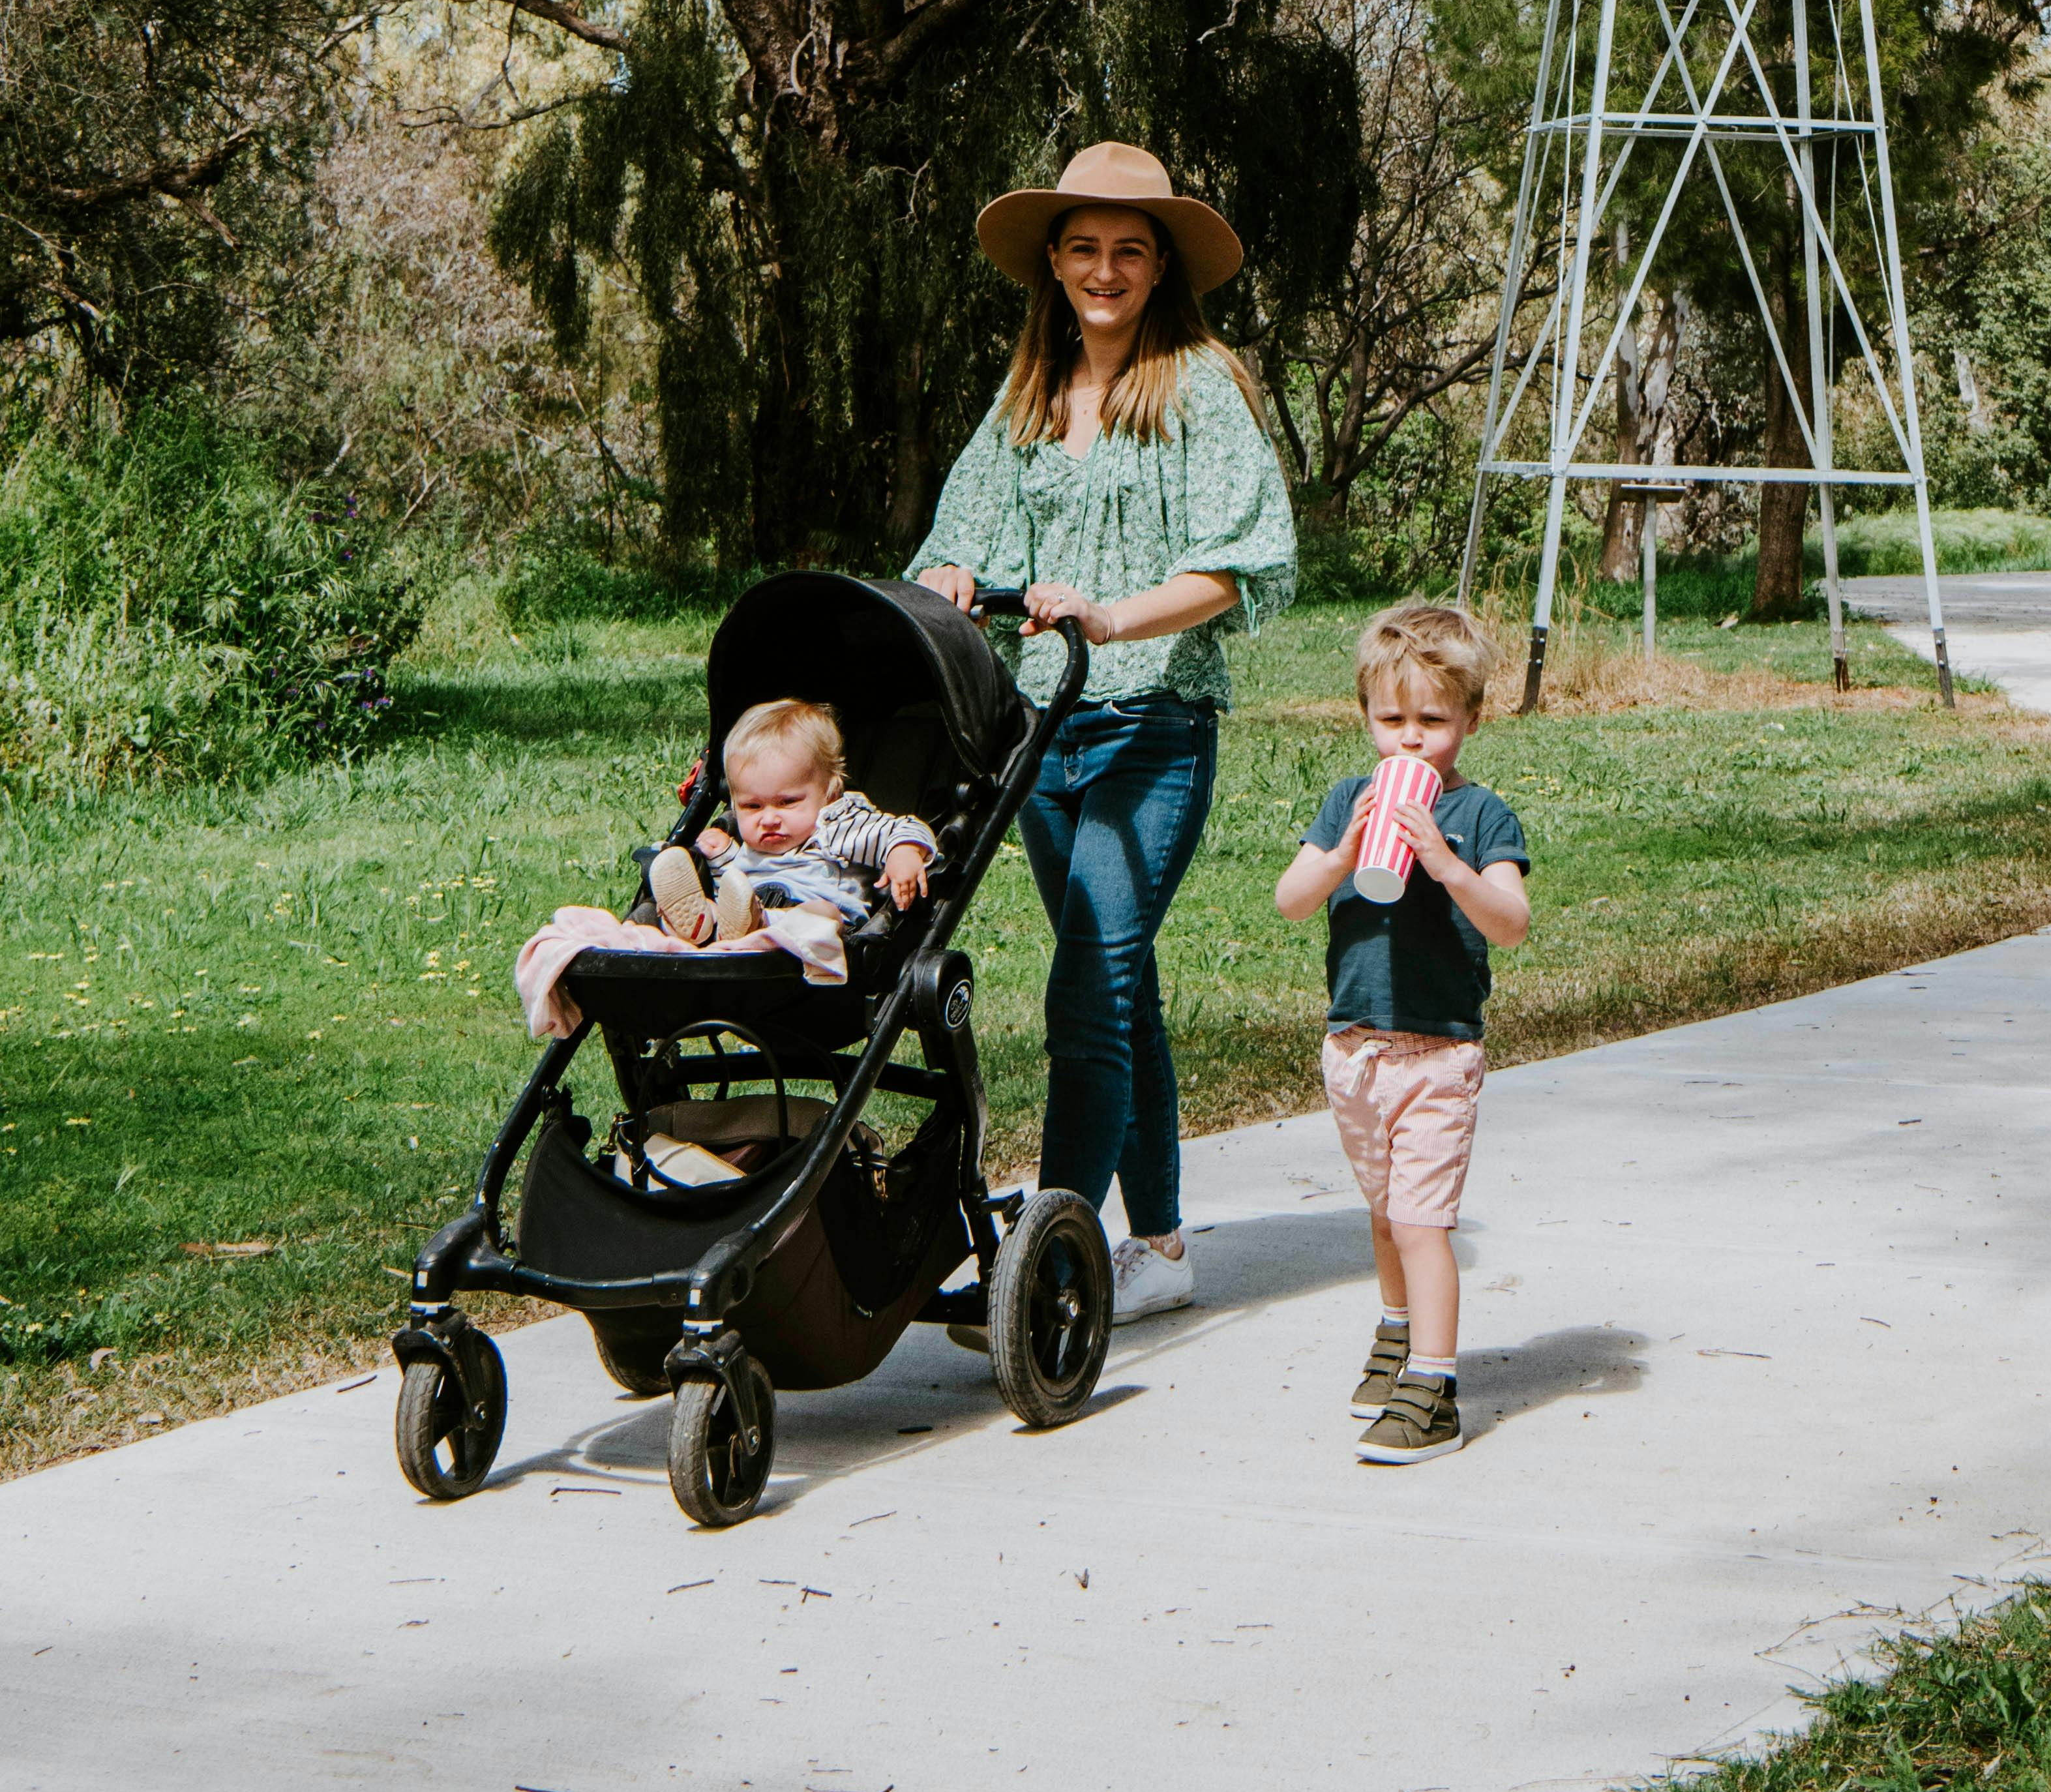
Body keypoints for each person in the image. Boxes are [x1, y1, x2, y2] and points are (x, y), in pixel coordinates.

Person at [909, 141, 1295, 1321]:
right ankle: (1162, 1250)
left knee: (1087, 985)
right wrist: (958, 574)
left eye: (1128, 249)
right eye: (1083, 248)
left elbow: (1239, 562)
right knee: (1119, 990)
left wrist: (1113, 615)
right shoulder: (1028, 394)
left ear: (1160, 263)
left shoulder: (1197, 388)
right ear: (1055, 266)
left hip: (1154, 728)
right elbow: (952, 542)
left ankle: (1052, 1260)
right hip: (1040, 735)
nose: (1104, 269)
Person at [1274, 597, 1531, 1465]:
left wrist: (1446, 862)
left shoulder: (1483, 817)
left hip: (1437, 1052)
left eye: (1433, 720)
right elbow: (1291, 899)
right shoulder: (1348, 800)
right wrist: (1346, 853)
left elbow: (1512, 921)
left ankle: (1435, 1387)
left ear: (1471, 719)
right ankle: (1397, 1336)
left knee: (1422, 1223)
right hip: (1353, 1049)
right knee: (1386, 1215)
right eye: (1392, 720)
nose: (1410, 740)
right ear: (1365, 718)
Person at [507, 696, 935, 1039]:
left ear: (829, 791)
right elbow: (739, 876)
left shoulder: (839, 822)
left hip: (817, 914)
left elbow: (901, 828)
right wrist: (718, 854)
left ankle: (743, 924)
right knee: (723, 891)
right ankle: (699, 924)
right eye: (752, 805)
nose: (769, 818)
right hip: (743, 907)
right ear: (734, 802)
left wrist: (903, 854)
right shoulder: (749, 842)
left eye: (788, 802)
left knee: (819, 919)